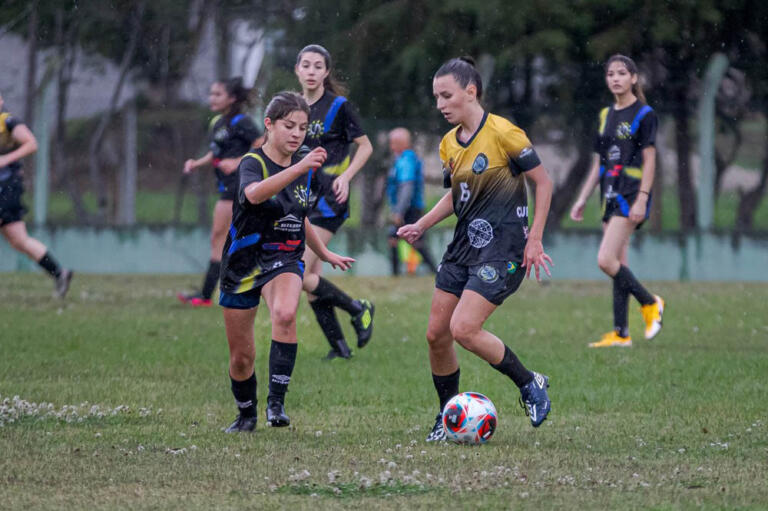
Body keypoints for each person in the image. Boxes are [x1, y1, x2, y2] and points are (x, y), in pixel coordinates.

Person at [398, 57, 554, 442]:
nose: (440, 104)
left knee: (464, 328)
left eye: (446, 95)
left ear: (471, 91)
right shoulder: (449, 144)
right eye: (436, 97)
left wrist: (534, 239)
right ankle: (447, 415)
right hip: (462, 248)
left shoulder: (504, 133)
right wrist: (421, 224)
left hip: (503, 249)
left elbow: (544, 183)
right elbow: (457, 197)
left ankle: (529, 382)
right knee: (437, 335)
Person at [218, 91, 354, 433]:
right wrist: (297, 168)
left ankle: (276, 404)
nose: (297, 134)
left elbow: (300, 213)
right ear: (269, 125)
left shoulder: (304, 162)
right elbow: (253, 195)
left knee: (285, 313)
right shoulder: (253, 162)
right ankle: (246, 413)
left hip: (285, 254)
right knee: (241, 356)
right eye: (289, 126)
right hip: (243, 262)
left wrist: (324, 253)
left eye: (303, 128)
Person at [569, 54, 665, 348]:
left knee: (605, 260)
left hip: (630, 192)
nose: (615, 79)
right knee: (618, 263)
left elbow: (650, 161)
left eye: (622, 73)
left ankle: (650, 303)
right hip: (608, 193)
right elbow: (600, 162)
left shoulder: (644, 114)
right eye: (610, 74)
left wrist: (642, 198)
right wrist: (583, 198)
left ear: (634, 78)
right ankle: (621, 333)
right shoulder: (605, 115)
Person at [294, 44, 375, 360]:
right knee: (311, 281)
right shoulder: (293, 106)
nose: (311, 71)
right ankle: (341, 347)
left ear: (326, 72)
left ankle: (358, 309)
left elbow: (365, 147)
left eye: (318, 66)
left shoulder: (338, 106)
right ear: (297, 70)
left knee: (299, 274)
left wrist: (346, 176)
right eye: (306, 65)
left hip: (330, 199)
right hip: (301, 199)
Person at [178, 77, 263, 307]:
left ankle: (207, 295)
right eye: (211, 94)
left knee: (220, 236)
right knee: (225, 237)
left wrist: (237, 161)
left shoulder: (242, 121)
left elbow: (262, 143)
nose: (211, 98)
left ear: (232, 98)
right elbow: (216, 153)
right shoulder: (217, 123)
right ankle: (213, 292)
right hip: (226, 186)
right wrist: (196, 163)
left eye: (217, 94)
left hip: (241, 185)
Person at [0, 92, 72, 297]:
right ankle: (59, 273)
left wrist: (5, 160)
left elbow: (31, 143)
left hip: (6, 187)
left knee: (19, 239)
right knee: (19, 240)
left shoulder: (8, 122)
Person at [386, 127, 437, 276]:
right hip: (409, 207)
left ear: (402, 143)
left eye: (393, 143)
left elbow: (406, 187)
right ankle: (396, 275)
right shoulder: (403, 158)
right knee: (397, 239)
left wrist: (399, 211)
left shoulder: (406, 160)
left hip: (410, 207)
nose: (391, 147)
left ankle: (434, 271)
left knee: (414, 241)